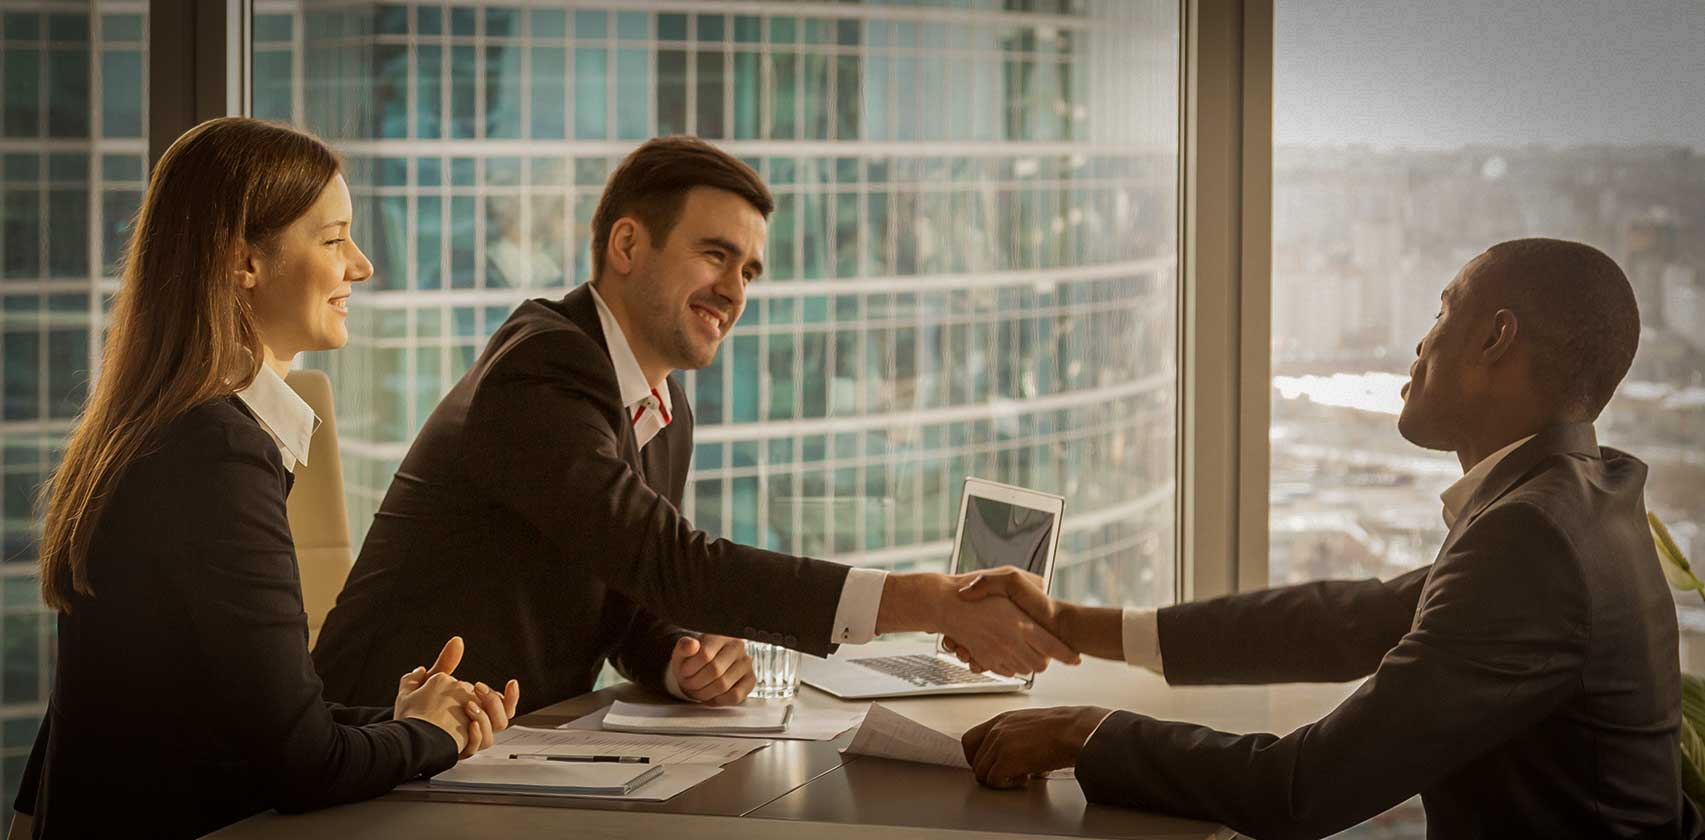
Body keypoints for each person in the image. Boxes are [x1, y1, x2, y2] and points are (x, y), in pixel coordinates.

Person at [951, 239, 1702, 838]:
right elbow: (1348, 621)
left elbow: (1300, 790)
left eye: (1443, 311)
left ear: (1494, 338)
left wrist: (1088, 733)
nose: (1419, 341)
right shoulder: (1573, 497)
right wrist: (1074, 626)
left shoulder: (1531, 536)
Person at [312, 136, 1077, 714]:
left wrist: (680, 656)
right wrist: (927, 601)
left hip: (509, 745)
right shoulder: (541, 368)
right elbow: (673, 561)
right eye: (715, 255)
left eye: (748, 271)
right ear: (626, 246)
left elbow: (633, 590)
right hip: (384, 738)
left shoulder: (661, 407)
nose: (733, 289)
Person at [9, 118, 521, 840]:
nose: (363, 265)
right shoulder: (215, 451)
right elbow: (302, 764)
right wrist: (431, 739)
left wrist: (403, 719)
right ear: (243, 262)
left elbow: (221, 716)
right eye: (334, 238)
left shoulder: (169, 426)